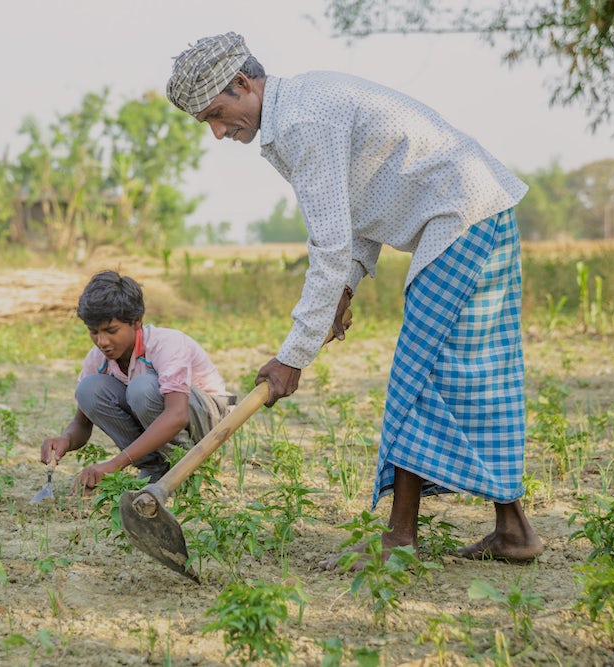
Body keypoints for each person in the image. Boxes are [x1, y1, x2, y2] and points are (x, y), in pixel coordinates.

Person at [165, 32, 543, 566]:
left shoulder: (302, 122)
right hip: (477, 213)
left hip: (462, 217)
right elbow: (363, 205)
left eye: (217, 114)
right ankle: (514, 530)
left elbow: (329, 243)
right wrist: (347, 285)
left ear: (243, 84)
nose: (218, 132)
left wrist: (292, 358)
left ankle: (400, 539)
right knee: (466, 373)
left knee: (421, 374)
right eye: (206, 122)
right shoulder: (292, 114)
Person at [40, 270, 234, 491]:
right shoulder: (98, 359)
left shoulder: (166, 344)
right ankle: (154, 468)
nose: (102, 341)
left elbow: (177, 415)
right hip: (169, 415)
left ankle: (187, 468)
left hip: (210, 421)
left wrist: (115, 464)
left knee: (141, 388)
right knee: (88, 389)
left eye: (111, 331)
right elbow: (81, 424)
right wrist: (66, 439)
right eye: (93, 332)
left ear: (136, 322)